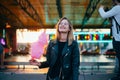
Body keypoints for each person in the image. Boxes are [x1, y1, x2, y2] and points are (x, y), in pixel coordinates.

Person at [98, 0, 120, 80]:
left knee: (119, 57)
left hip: (118, 39)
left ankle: (118, 76)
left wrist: (101, 8)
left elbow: (104, 15)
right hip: (117, 38)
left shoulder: (117, 8)